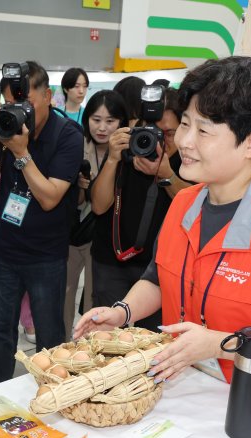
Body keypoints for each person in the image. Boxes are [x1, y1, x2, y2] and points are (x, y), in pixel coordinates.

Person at [75, 56, 251, 426]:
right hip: (189, 398)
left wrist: (217, 343)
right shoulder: (185, 202)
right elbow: (158, 278)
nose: (184, 141)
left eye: (203, 131)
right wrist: (122, 312)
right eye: (185, 123)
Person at [0, 61, 83, 385]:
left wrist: (21, 153)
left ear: (48, 96)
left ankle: (52, 396)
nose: (20, 113)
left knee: (49, 339)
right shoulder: (7, 130)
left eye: (26, 105)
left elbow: (50, 197)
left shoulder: (68, 136)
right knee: (1, 335)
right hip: (6, 252)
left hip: (46, 257)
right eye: (11, 105)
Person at [88, 86, 187, 330]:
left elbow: (193, 209)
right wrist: (112, 159)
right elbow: (99, 207)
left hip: (159, 270)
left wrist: (166, 175)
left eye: (169, 133)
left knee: (153, 344)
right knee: (105, 340)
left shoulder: (187, 160)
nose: (159, 141)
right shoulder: (128, 149)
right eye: (153, 132)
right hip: (112, 263)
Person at [63, 90, 126, 338]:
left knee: (94, 296)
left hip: (107, 239)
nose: (102, 127)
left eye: (110, 121)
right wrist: (79, 188)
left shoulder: (127, 153)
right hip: (74, 233)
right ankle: (62, 346)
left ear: (121, 122)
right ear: (86, 118)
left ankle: (90, 348)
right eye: (96, 119)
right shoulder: (76, 147)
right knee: (65, 292)